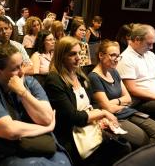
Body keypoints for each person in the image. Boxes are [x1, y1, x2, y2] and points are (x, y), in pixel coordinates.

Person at [0, 44, 72, 166]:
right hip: (7, 153)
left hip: (39, 145)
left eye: (22, 65)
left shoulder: (30, 82)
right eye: (15, 69)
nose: (22, 71)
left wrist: (23, 93)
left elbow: (46, 118)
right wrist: (47, 129)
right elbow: (10, 131)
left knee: (62, 161)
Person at [44, 36, 130, 166]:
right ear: (61, 56)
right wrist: (103, 114)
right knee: (118, 149)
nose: (78, 57)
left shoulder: (80, 74)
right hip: (72, 133)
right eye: (72, 54)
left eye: (79, 53)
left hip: (89, 124)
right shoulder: (54, 79)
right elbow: (73, 116)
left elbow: (92, 104)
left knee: (123, 145)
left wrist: (101, 120)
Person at [88, 40, 155, 149]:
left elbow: (128, 98)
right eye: (113, 55)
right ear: (101, 55)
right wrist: (120, 103)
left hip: (128, 111)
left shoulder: (114, 72)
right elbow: (107, 108)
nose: (116, 59)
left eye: (118, 56)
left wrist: (115, 102)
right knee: (146, 140)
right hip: (115, 117)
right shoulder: (94, 77)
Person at [117, 24, 155, 130]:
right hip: (144, 102)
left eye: (152, 44)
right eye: (149, 44)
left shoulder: (151, 55)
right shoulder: (125, 58)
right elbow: (132, 89)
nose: (151, 47)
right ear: (137, 40)